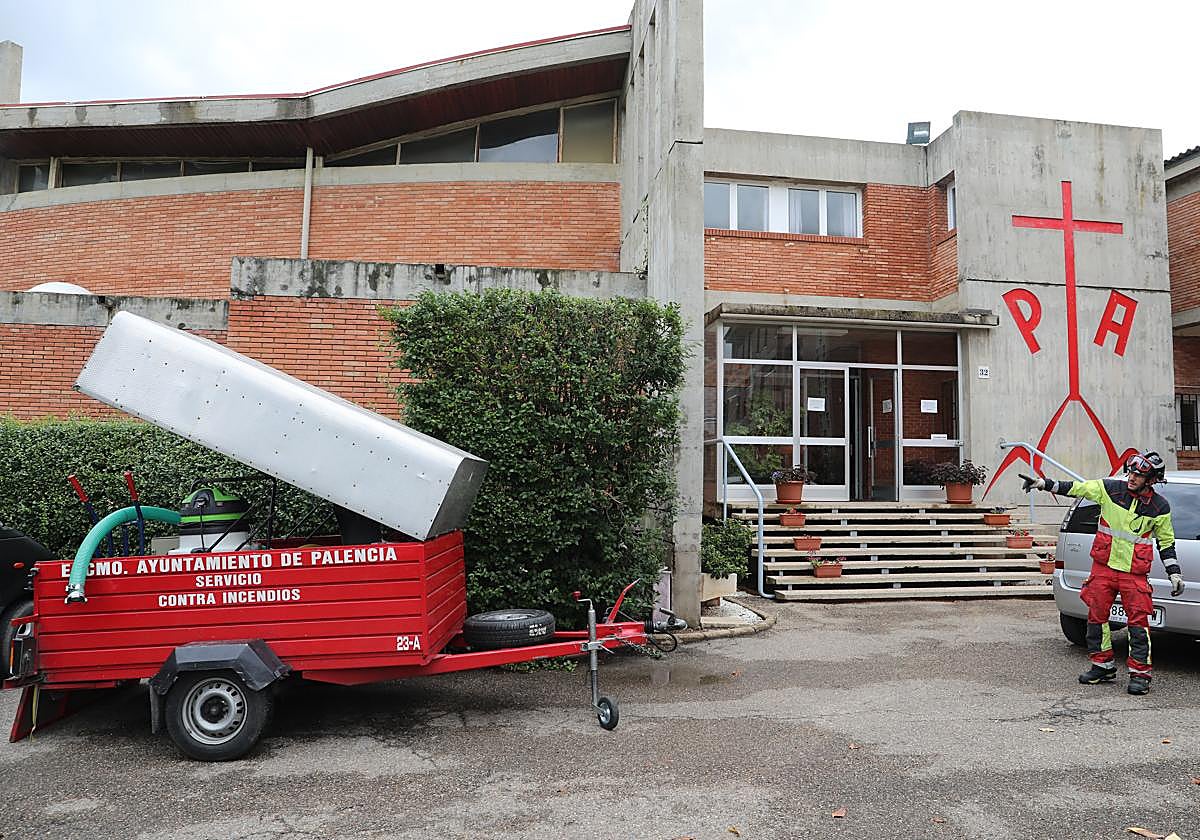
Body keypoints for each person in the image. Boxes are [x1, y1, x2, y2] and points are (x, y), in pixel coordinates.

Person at [1020, 451, 1185, 695]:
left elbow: (1166, 542)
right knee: (1096, 618)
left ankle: (1140, 674)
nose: (1132, 478)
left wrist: (1174, 573)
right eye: (1131, 472)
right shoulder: (1110, 489)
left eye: (1139, 475)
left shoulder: (1160, 507)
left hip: (1133, 574)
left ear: (1150, 480)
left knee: (1138, 624)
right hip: (1103, 569)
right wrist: (1043, 484)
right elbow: (1077, 488)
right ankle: (1102, 665)